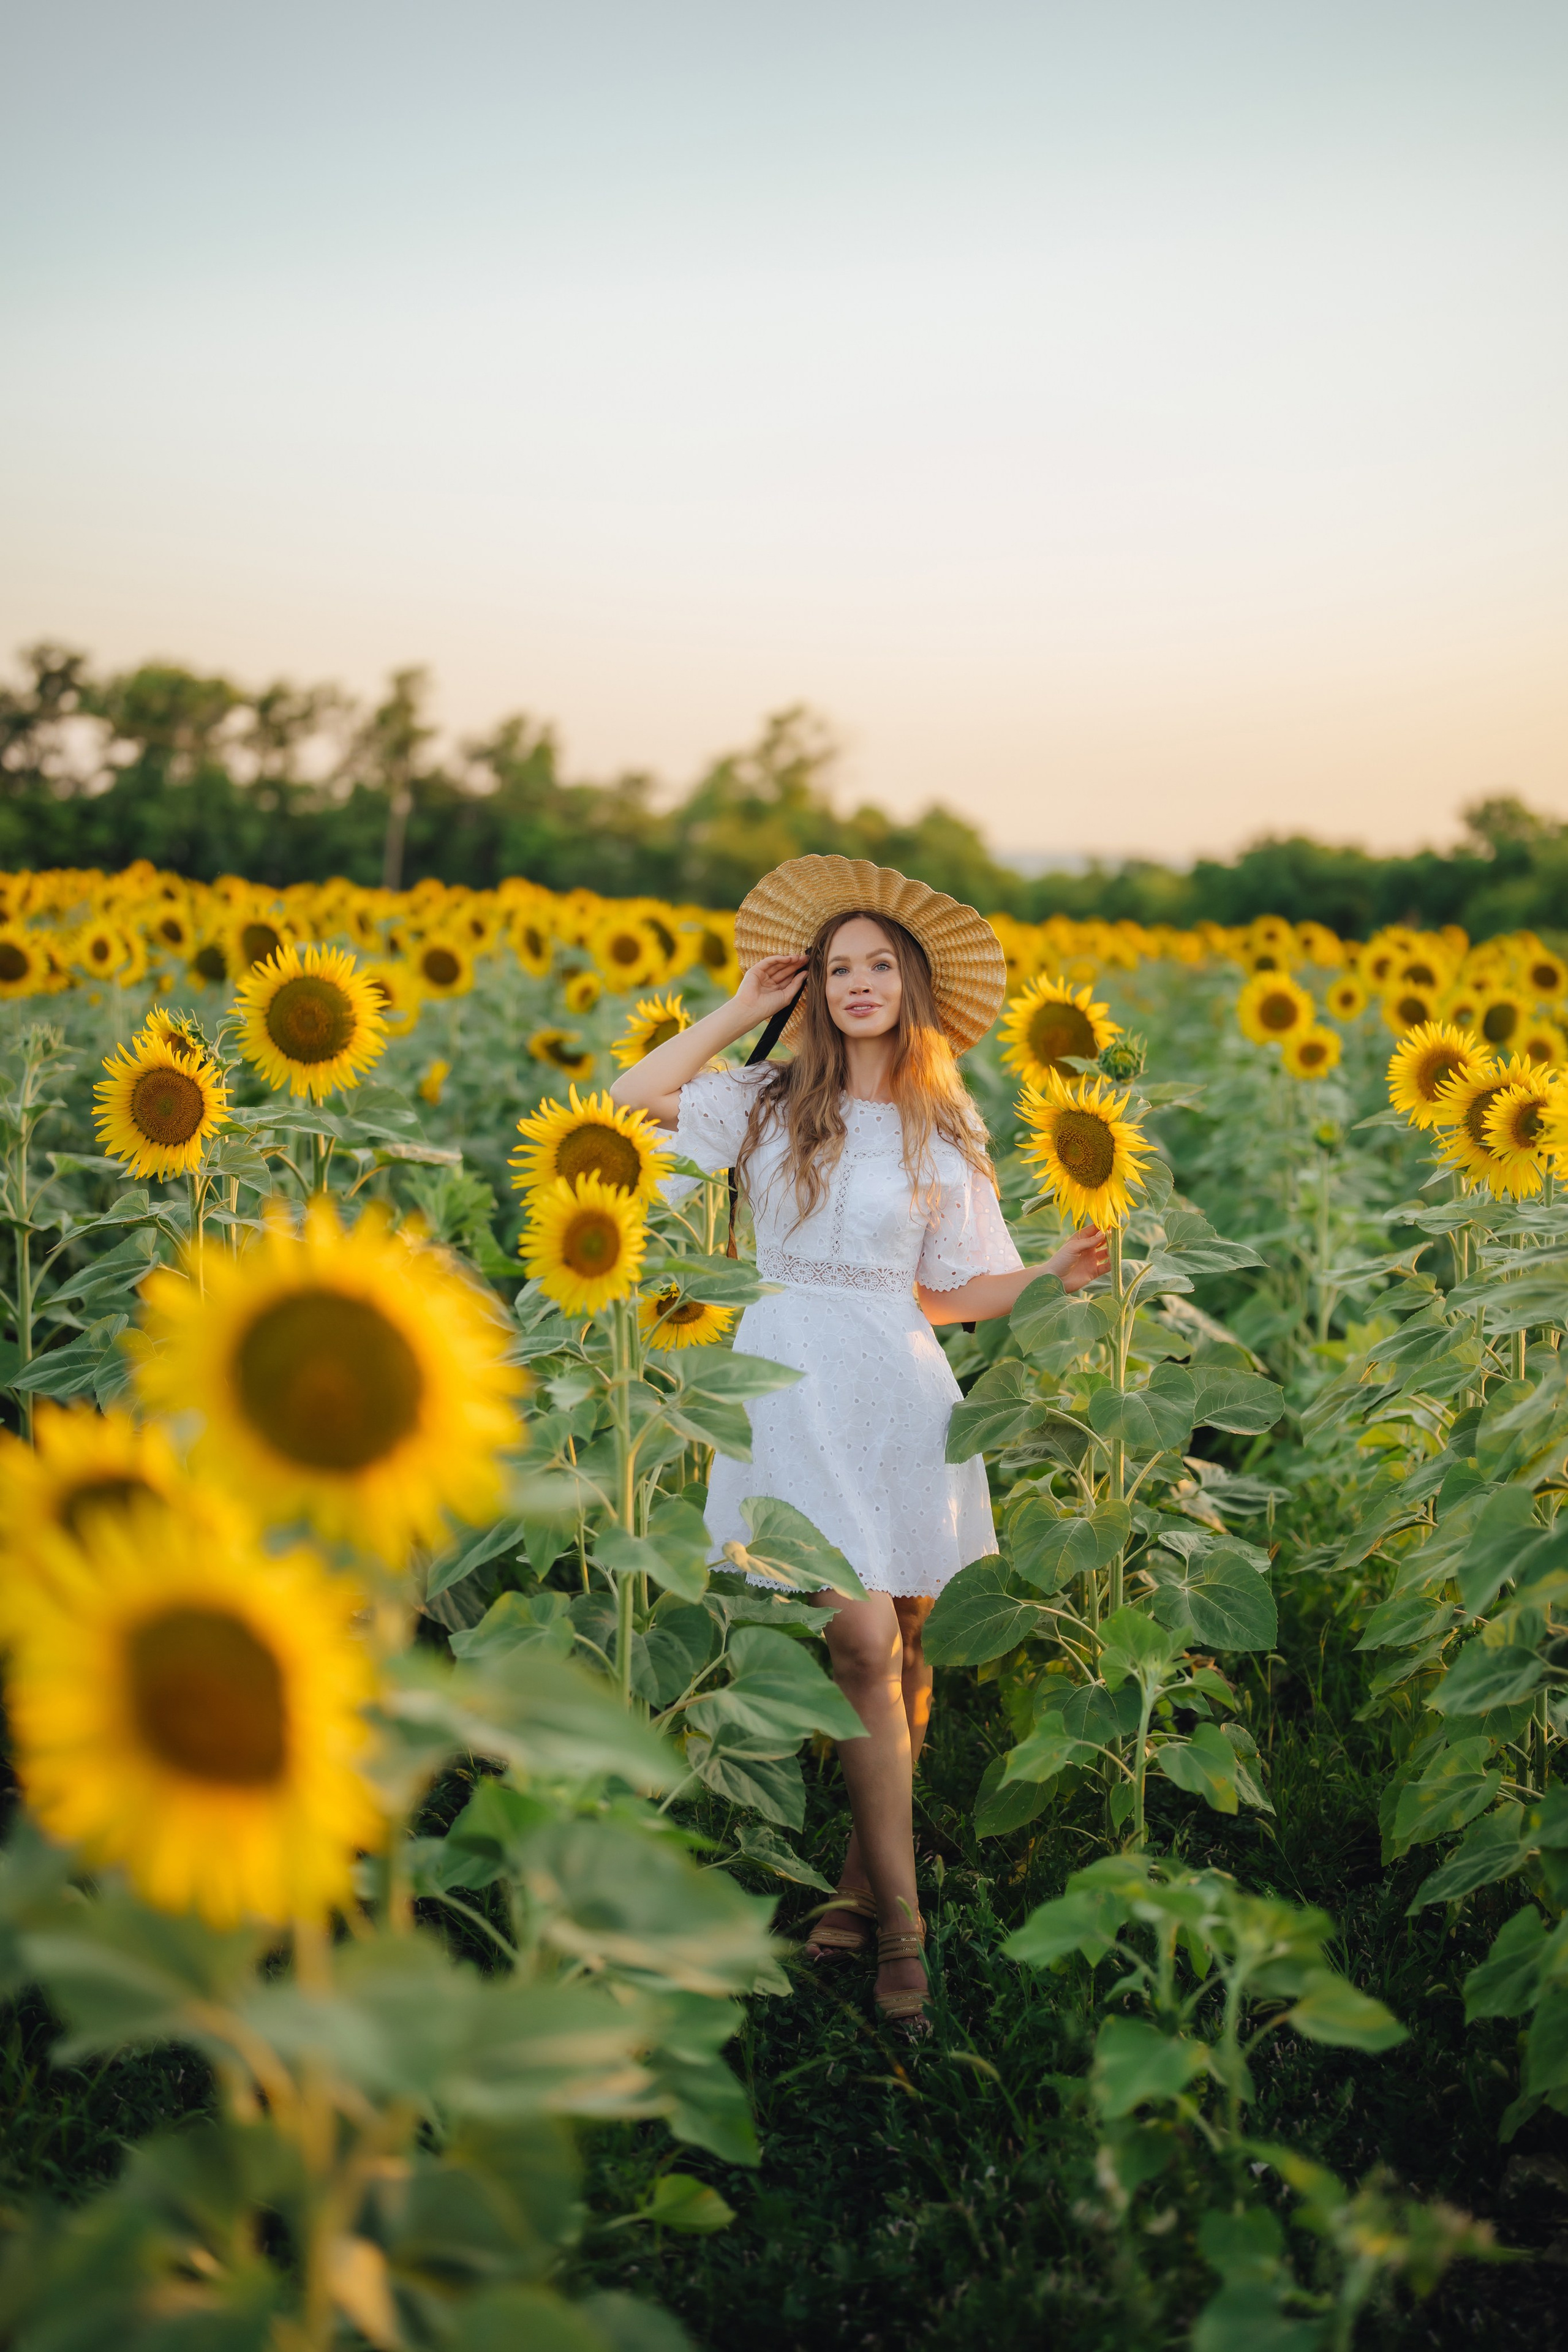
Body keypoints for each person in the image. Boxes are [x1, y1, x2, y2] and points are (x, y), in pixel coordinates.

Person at [610, 855, 1107, 2033]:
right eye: (838, 967)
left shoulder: (948, 1124)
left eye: (880, 963)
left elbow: (950, 1292)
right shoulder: (769, 1098)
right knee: (860, 1636)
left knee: (907, 1646)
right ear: (814, 987)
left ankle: (850, 1890)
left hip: (900, 1381)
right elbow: (633, 1098)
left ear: (915, 983)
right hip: (787, 1380)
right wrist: (742, 1006)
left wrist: (1048, 1274)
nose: (858, 982)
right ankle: (910, 1933)